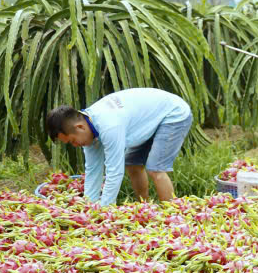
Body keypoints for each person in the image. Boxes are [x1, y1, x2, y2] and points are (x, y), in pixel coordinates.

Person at [45, 88, 193, 206]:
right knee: (132, 164)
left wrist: (104, 211)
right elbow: (93, 170)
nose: (75, 145)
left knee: (155, 169)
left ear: (79, 127)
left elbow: (114, 172)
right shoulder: (88, 127)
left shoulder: (109, 126)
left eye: (72, 141)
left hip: (173, 114)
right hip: (148, 119)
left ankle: (173, 218)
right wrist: (88, 206)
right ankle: (145, 208)